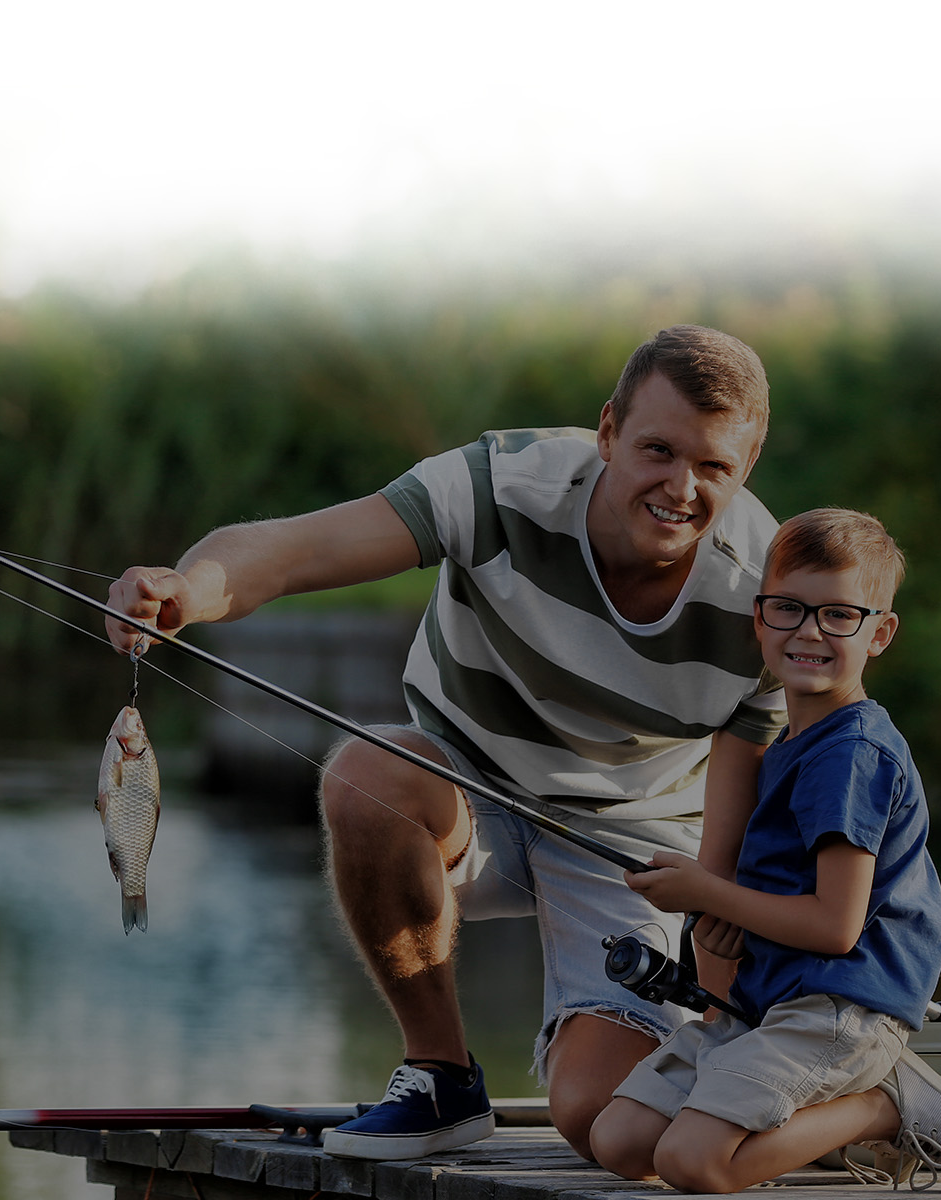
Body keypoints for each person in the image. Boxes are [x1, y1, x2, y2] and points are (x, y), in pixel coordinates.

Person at [106, 325, 788, 1159]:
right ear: (608, 431)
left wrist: (720, 924)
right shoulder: (501, 482)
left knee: (602, 1124)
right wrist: (190, 590)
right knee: (365, 774)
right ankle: (440, 1078)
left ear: (747, 465)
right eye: (657, 450)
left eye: (714, 465)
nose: (680, 487)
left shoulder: (770, 592)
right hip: (465, 786)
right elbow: (292, 551)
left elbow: (749, 786)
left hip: (637, 846)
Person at [586, 508, 941, 1193]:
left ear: (880, 633)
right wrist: (728, 918)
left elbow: (836, 927)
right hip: (772, 1004)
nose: (809, 631)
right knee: (619, 1140)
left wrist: (707, 894)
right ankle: (821, 1114)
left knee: (694, 1163)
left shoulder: (851, 756)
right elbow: (777, 900)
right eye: (790, 609)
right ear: (760, 618)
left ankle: (887, 1106)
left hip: (844, 1006)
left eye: (839, 615)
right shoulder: (792, 744)